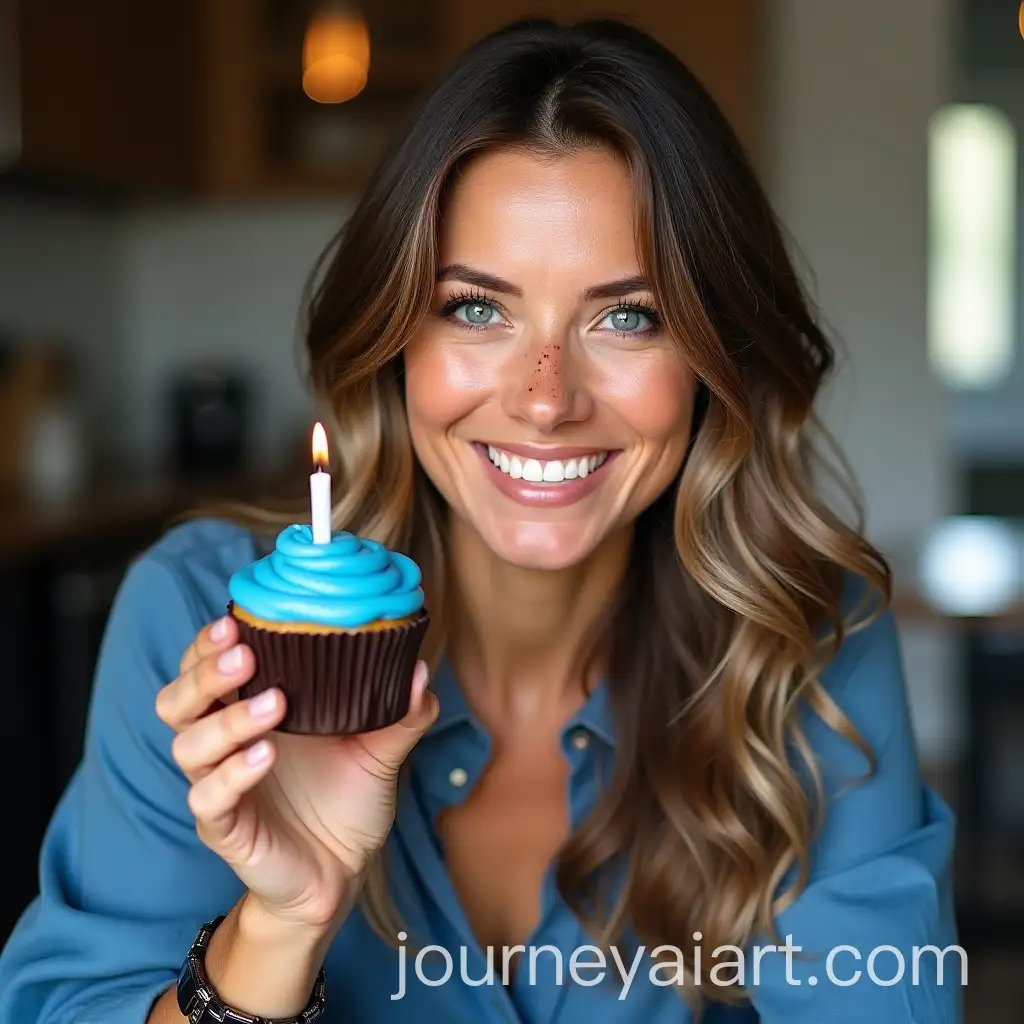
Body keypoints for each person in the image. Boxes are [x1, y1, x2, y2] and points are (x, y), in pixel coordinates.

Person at [0, 18, 960, 1024]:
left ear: (713, 358)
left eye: (627, 317)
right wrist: (281, 924)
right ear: (395, 333)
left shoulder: (805, 637)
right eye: (476, 309)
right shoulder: (205, 623)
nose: (546, 399)